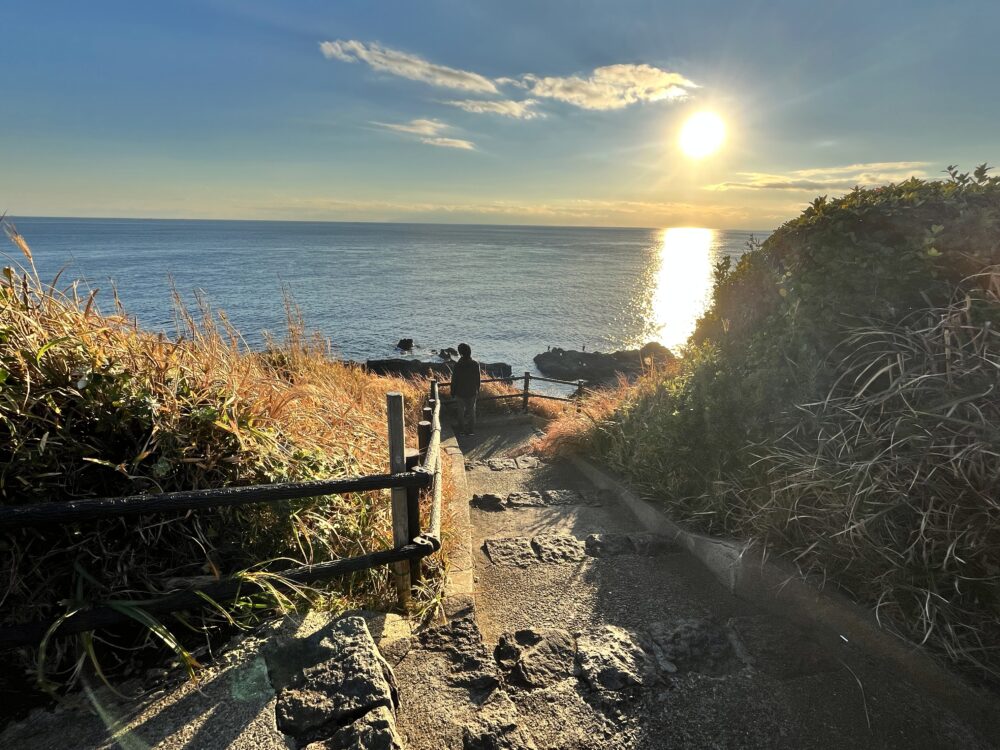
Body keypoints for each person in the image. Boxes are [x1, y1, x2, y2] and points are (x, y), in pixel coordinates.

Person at [450, 342, 481, 435]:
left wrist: (452, 391)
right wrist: (477, 389)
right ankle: (471, 430)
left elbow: (454, 379)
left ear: (460, 353)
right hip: (472, 391)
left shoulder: (458, 365)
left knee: (461, 412)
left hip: (460, 392)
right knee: (471, 412)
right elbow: (478, 379)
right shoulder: (475, 364)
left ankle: (462, 430)